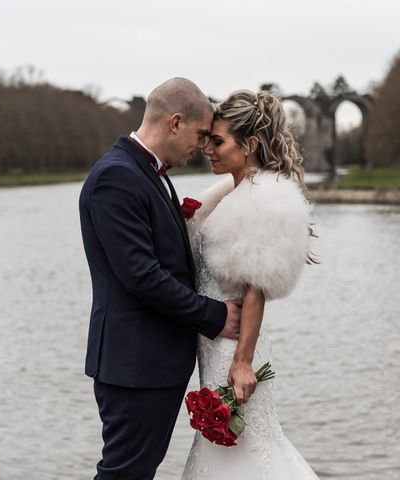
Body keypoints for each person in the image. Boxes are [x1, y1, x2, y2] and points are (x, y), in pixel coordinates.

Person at [78, 77, 243, 480]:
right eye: (201, 134)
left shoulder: (148, 173)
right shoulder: (116, 177)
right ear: (174, 122)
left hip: (149, 364)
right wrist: (215, 315)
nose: (203, 147)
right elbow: (142, 276)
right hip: (134, 366)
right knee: (124, 474)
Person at [182, 89, 318, 479]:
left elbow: (255, 287)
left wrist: (242, 362)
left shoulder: (265, 199)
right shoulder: (228, 194)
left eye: (218, 141)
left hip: (234, 349)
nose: (207, 148)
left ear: (250, 144)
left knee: (244, 454)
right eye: (207, 139)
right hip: (212, 346)